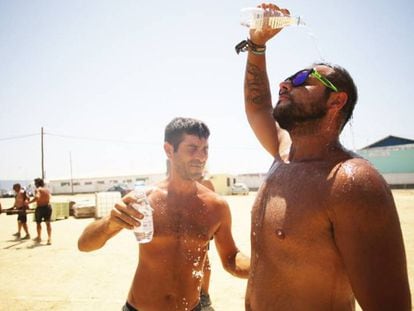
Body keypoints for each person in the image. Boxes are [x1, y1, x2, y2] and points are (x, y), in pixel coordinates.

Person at [239, 3, 411, 310]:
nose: (285, 84)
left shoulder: (351, 182)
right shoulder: (284, 154)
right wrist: (257, 44)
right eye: (288, 78)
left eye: (304, 77)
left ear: (337, 100)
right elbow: (257, 107)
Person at [78, 117, 250, 311]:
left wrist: (262, 267)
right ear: (169, 150)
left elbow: (230, 258)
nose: (201, 157)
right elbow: (84, 245)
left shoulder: (216, 207)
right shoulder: (143, 200)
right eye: (192, 148)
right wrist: (109, 223)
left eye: (205, 149)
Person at [197, 176, 215, 311]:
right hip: (183, 225)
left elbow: (214, 203)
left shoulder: (206, 181)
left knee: (204, 260)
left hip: (200, 225)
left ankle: (204, 296)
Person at [29, 178, 52, 245]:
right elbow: (49, 198)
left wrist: (28, 202)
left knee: (38, 223)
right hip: (48, 207)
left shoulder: (38, 189)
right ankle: (49, 238)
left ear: (37, 184)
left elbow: (37, 197)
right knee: (48, 223)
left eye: (35, 183)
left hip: (40, 208)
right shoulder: (47, 190)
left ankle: (39, 237)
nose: (35, 184)